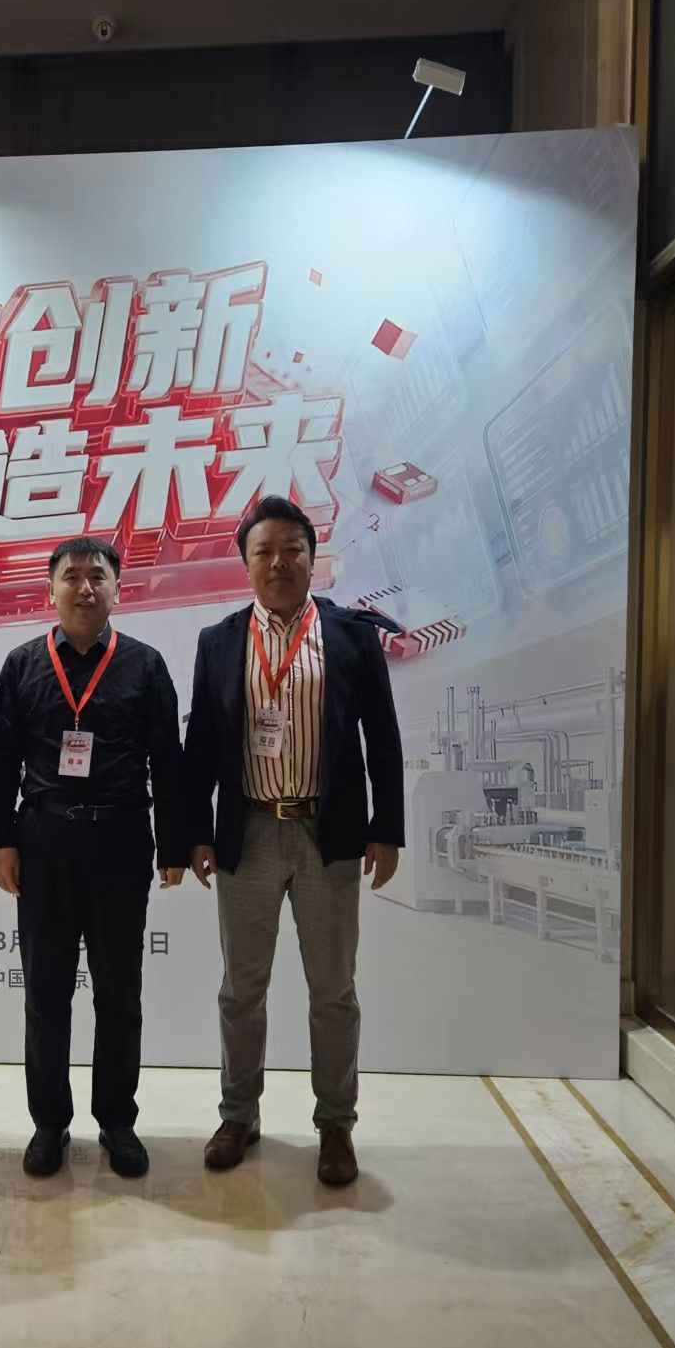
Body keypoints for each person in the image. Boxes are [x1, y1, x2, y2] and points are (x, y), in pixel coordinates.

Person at [183, 496, 404, 1186]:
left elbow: (383, 738)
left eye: (291, 550)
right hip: (247, 833)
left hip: (326, 835)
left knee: (333, 991)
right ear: (246, 563)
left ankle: (336, 1125)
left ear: (312, 557)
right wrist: (194, 832)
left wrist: (387, 830)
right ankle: (238, 1116)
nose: (278, 563)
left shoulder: (351, 637)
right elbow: (201, 744)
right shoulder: (219, 641)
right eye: (264, 552)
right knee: (240, 990)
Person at [0, 538, 185, 1179]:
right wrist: (0, 843)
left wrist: (174, 845)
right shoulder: (21, 666)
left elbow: (169, 760)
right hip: (43, 842)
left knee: (119, 992)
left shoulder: (145, 665)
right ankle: (49, 1122)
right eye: (70, 576)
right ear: (50, 590)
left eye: (97, 576)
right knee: (46, 994)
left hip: (120, 841)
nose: (84, 587)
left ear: (117, 590)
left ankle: (117, 1120)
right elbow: (0, 764)